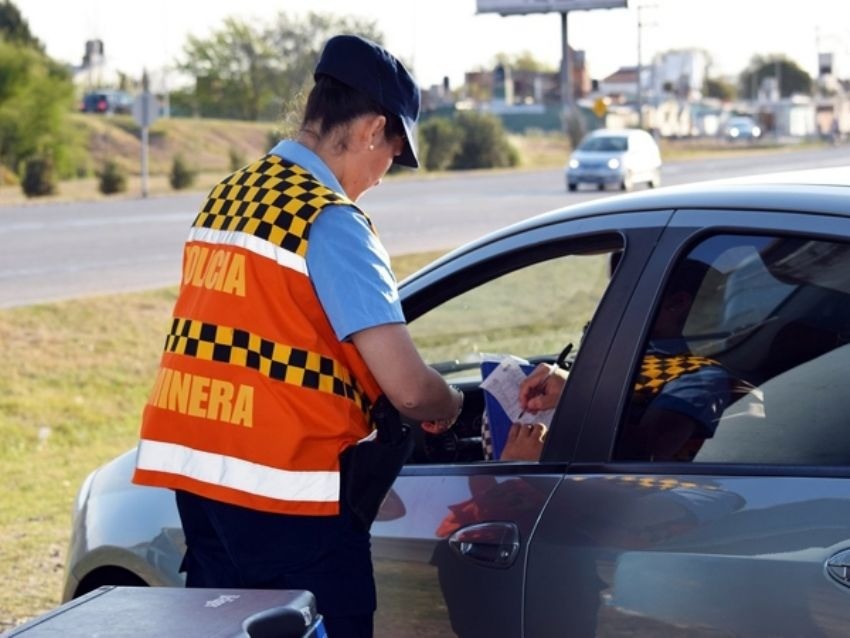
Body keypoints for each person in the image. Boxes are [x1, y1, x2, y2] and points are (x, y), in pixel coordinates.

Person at [131, 34, 463, 638]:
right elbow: (411, 391)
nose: (385, 175)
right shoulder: (330, 220)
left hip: (205, 493)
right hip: (292, 505)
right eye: (393, 153)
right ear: (370, 130)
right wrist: (455, 403)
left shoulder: (228, 196)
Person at [502, 258, 752, 462]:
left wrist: (574, 395)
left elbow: (645, 451)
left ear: (677, 304)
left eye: (622, 294)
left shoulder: (700, 376)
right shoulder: (626, 355)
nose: (608, 307)